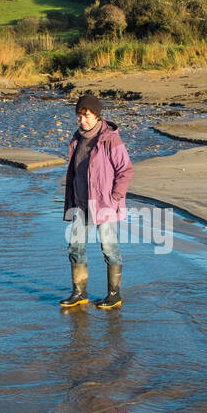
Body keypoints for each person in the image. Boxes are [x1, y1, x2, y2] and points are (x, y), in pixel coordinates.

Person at [60, 92, 133, 310]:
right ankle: (79, 293)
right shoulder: (77, 138)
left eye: (86, 116)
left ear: (97, 116)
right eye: (79, 116)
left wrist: (114, 197)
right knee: (74, 247)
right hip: (80, 203)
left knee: (109, 248)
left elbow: (125, 170)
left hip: (105, 204)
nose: (82, 120)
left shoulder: (111, 139)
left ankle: (114, 294)